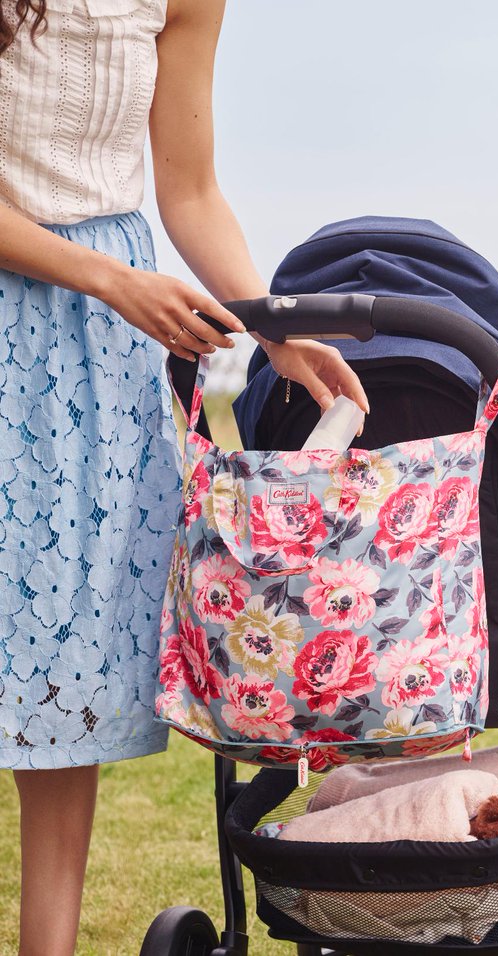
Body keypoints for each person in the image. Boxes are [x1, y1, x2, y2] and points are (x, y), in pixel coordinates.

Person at [0, 1, 368, 952]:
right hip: (79, 294)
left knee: (61, 650)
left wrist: (275, 329)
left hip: (97, 343)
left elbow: (191, 190)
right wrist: (110, 280)